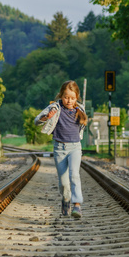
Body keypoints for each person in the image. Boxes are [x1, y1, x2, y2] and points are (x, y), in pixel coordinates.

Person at [34, 80, 88, 218]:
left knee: (74, 175)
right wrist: (47, 117)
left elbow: (82, 126)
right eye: (66, 97)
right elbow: (36, 121)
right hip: (59, 148)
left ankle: (77, 205)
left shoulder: (80, 109)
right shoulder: (55, 107)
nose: (69, 101)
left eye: (72, 98)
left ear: (77, 97)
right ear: (61, 96)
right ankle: (66, 200)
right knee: (64, 182)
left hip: (75, 147)